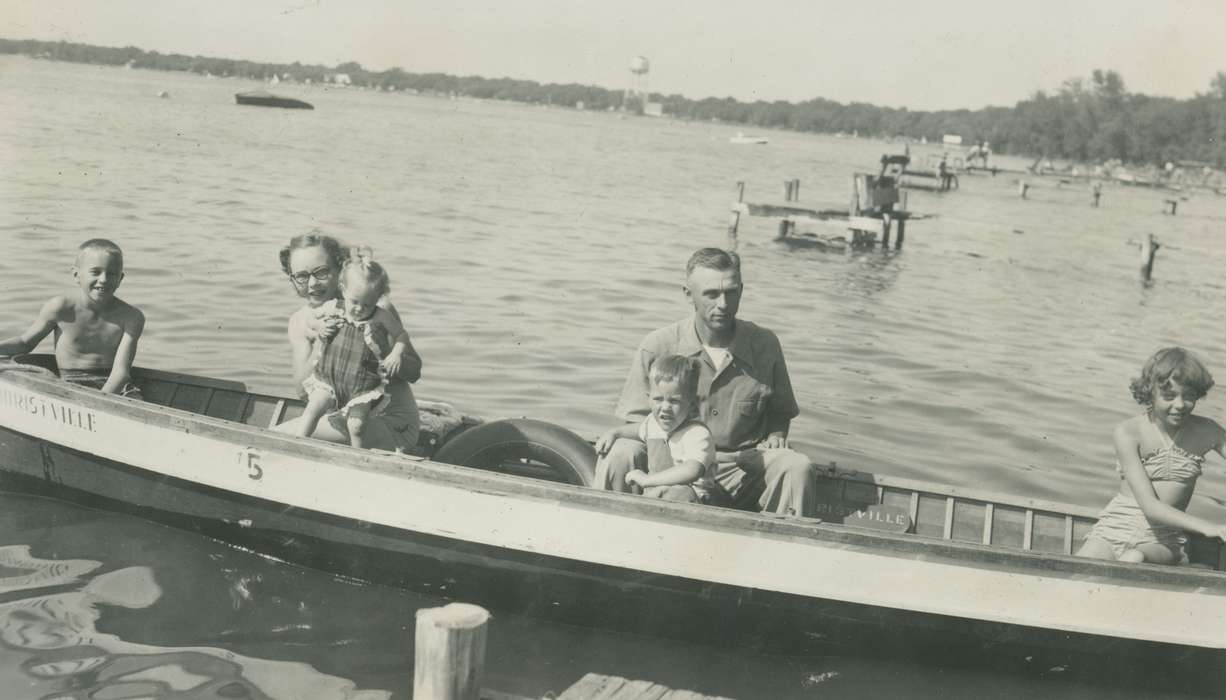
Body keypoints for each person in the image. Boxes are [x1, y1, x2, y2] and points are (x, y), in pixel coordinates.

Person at [600, 248, 818, 517]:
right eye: (711, 294)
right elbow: (638, 423)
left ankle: (781, 547)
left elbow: (780, 414)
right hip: (672, 462)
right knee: (620, 453)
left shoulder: (765, 344)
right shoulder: (658, 345)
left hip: (742, 467)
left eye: (731, 292)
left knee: (796, 466)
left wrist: (776, 436)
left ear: (741, 290)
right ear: (688, 294)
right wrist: (666, 475)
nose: (723, 305)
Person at [1077, 348, 1226, 564]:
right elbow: (1149, 506)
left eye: (1189, 397)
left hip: (1163, 539)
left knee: (1135, 558)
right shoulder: (1128, 432)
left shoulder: (1208, 431)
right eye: (1169, 396)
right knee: (1077, 568)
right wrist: (1209, 527)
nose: (1180, 405)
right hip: (1115, 528)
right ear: (1150, 392)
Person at [276, 232, 422, 452]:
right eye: (302, 276)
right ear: (292, 279)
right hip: (344, 419)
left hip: (391, 423)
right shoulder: (298, 321)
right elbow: (301, 391)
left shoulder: (373, 309)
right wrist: (322, 341)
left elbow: (414, 372)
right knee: (281, 436)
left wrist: (383, 349)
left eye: (322, 272)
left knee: (276, 438)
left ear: (340, 270)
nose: (313, 284)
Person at [0, 239, 144, 397]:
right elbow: (25, 343)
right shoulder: (60, 307)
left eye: (111, 274)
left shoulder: (131, 316)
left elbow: (121, 373)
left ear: (120, 279)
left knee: (134, 397)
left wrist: (99, 401)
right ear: (76, 275)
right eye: (95, 272)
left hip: (114, 386)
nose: (103, 279)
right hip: (70, 382)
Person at [594, 354, 716, 503]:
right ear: (649, 398)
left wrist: (647, 480)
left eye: (674, 401)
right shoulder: (653, 423)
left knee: (678, 492)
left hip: (693, 501)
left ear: (692, 404)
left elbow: (693, 469)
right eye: (658, 399)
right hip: (656, 492)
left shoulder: (697, 434)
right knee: (620, 451)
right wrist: (614, 433)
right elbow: (637, 430)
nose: (665, 408)